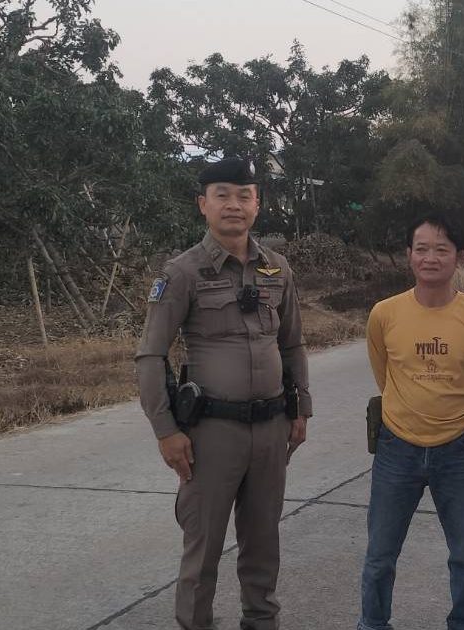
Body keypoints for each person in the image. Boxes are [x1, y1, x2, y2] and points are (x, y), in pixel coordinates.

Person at [135, 157, 311, 630]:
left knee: (263, 543)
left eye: (244, 196)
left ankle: (261, 621)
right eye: (222, 195)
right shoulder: (182, 272)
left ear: (257, 204)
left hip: (271, 428)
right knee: (203, 549)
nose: (234, 204)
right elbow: (150, 356)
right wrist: (166, 431)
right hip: (211, 434)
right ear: (203, 204)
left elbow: (292, 344)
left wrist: (300, 409)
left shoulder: (277, 268)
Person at [358, 214, 464, 630]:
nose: (430, 258)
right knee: (380, 555)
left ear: (459, 257)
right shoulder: (384, 314)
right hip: (396, 449)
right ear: (409, 255)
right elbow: (384, 376)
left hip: (459, 450)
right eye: (421, 249)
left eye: (442, 249)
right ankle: (373, 623)